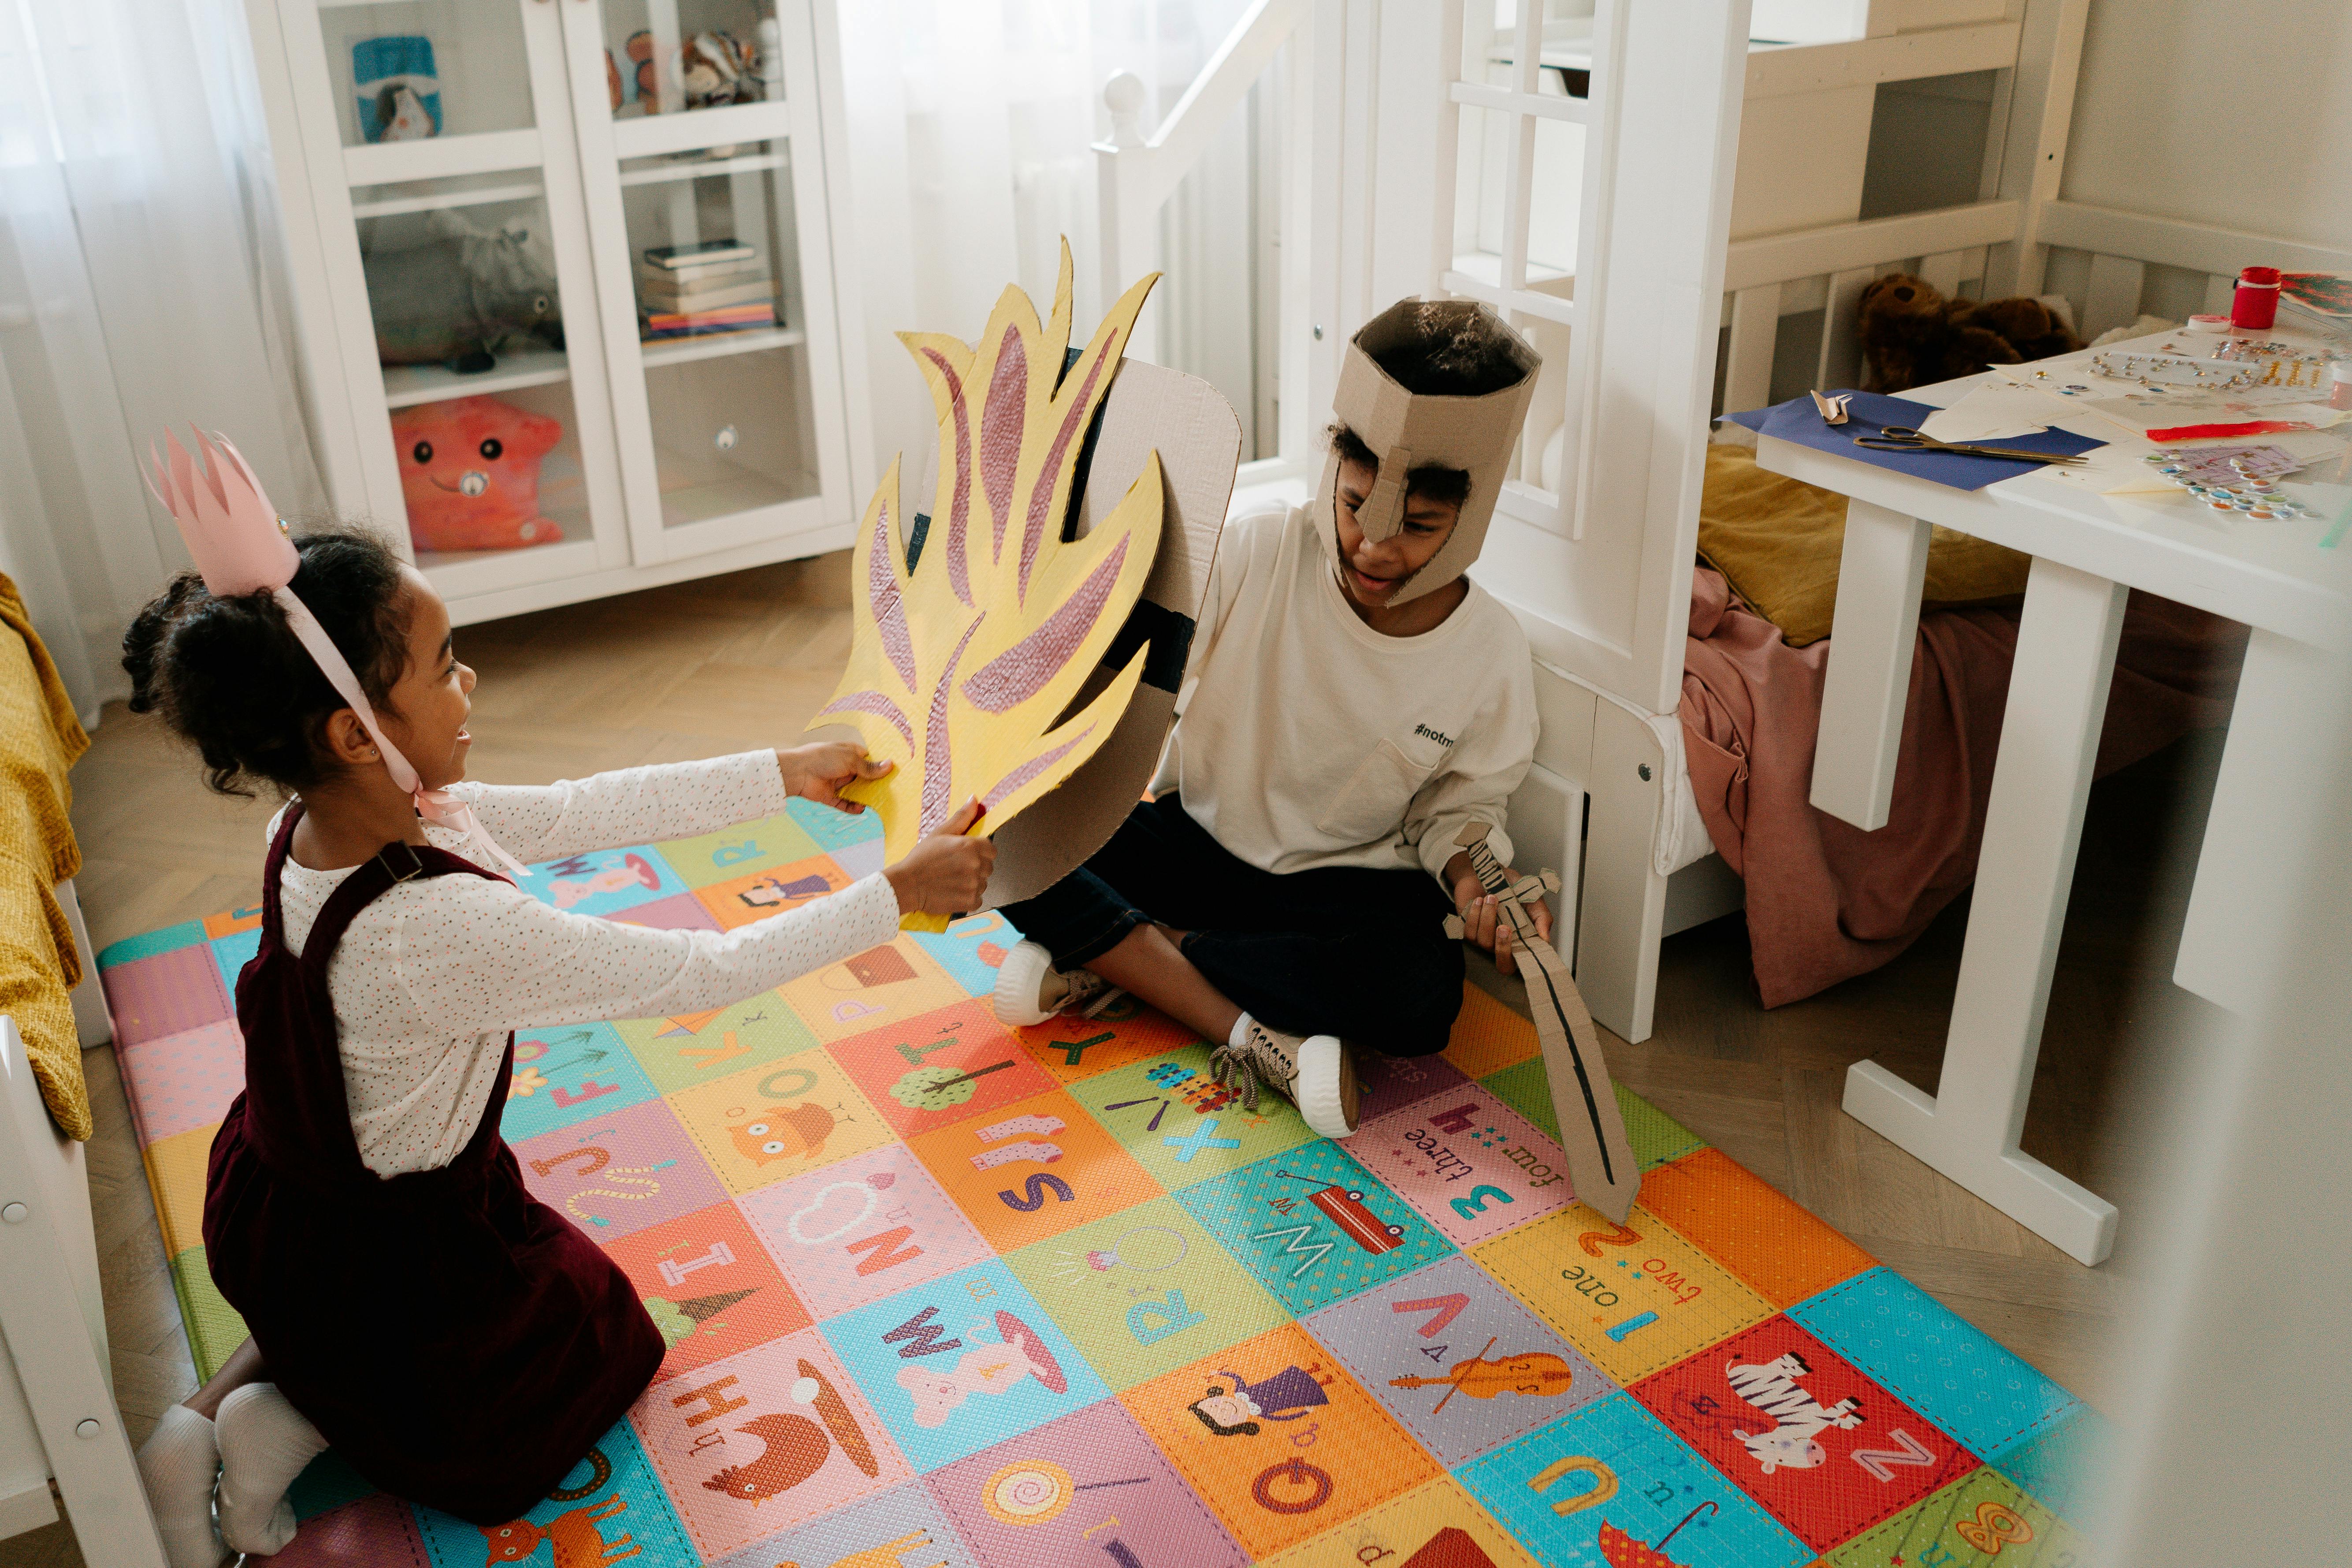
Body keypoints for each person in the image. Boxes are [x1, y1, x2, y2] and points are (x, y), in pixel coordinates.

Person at [124, 435, 992, 1567]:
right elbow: (703, 976)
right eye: (443, 667)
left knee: (420, 1305)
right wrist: (893, 897)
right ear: (351, 731)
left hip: (288, 1197)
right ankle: (285, 1420)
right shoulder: (438, 925)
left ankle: (204, 1422)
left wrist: (782, 768)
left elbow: (583, 805)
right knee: (596, 1354)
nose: (468, 683)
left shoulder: (325, 822)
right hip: (396, 1250)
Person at [991, 299, 1546, 1139]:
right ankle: (1243, 1026)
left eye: (1418, 528)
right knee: (1004, 832)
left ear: (1467, 520)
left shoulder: (1490, 650)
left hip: (1341, 890)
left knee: (1422, 997)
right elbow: (1139, 681)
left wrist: (1481, 886)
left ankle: (1130, 958)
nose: (1370, 545)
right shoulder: (1256, 551)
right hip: (1197, 845)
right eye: (1354, 505)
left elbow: (1457, 814)